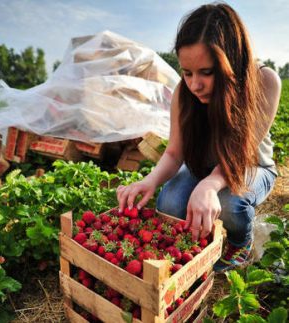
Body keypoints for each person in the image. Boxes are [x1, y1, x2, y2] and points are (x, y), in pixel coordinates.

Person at [116, 2, 281, 272]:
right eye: (187, 72)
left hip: (250, 165)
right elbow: (173, 153)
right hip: (203, 167)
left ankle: (240, 242)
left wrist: (208, 185)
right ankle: (200, 241)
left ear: (233, 61)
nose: (195, 84)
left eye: (207, 72)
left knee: (229, 203)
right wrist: (148, 181)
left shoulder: (263, 81)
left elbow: (242, 152)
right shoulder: (184, 93)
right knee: (169, 203)